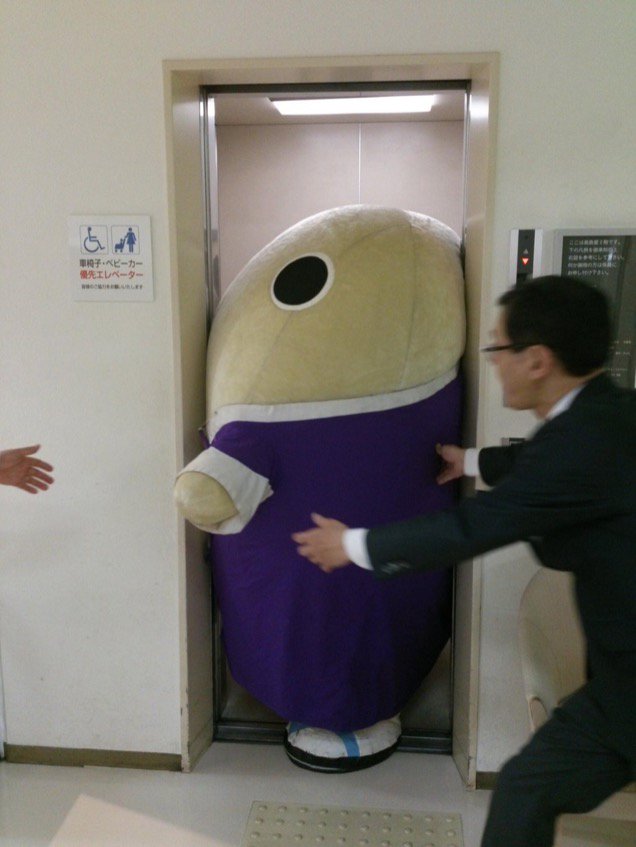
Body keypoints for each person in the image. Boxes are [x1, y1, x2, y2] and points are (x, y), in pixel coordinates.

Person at [293, 275, 636, 847]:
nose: (493, 362)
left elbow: (471, 527)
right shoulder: (609, 415)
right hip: (620, 688)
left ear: (537, 360)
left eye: (497, 348)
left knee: (527, 788)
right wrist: (471, 461)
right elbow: (545, 466)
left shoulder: (580, 443)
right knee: (528, 788)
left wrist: (354, 546)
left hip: (627, 687)